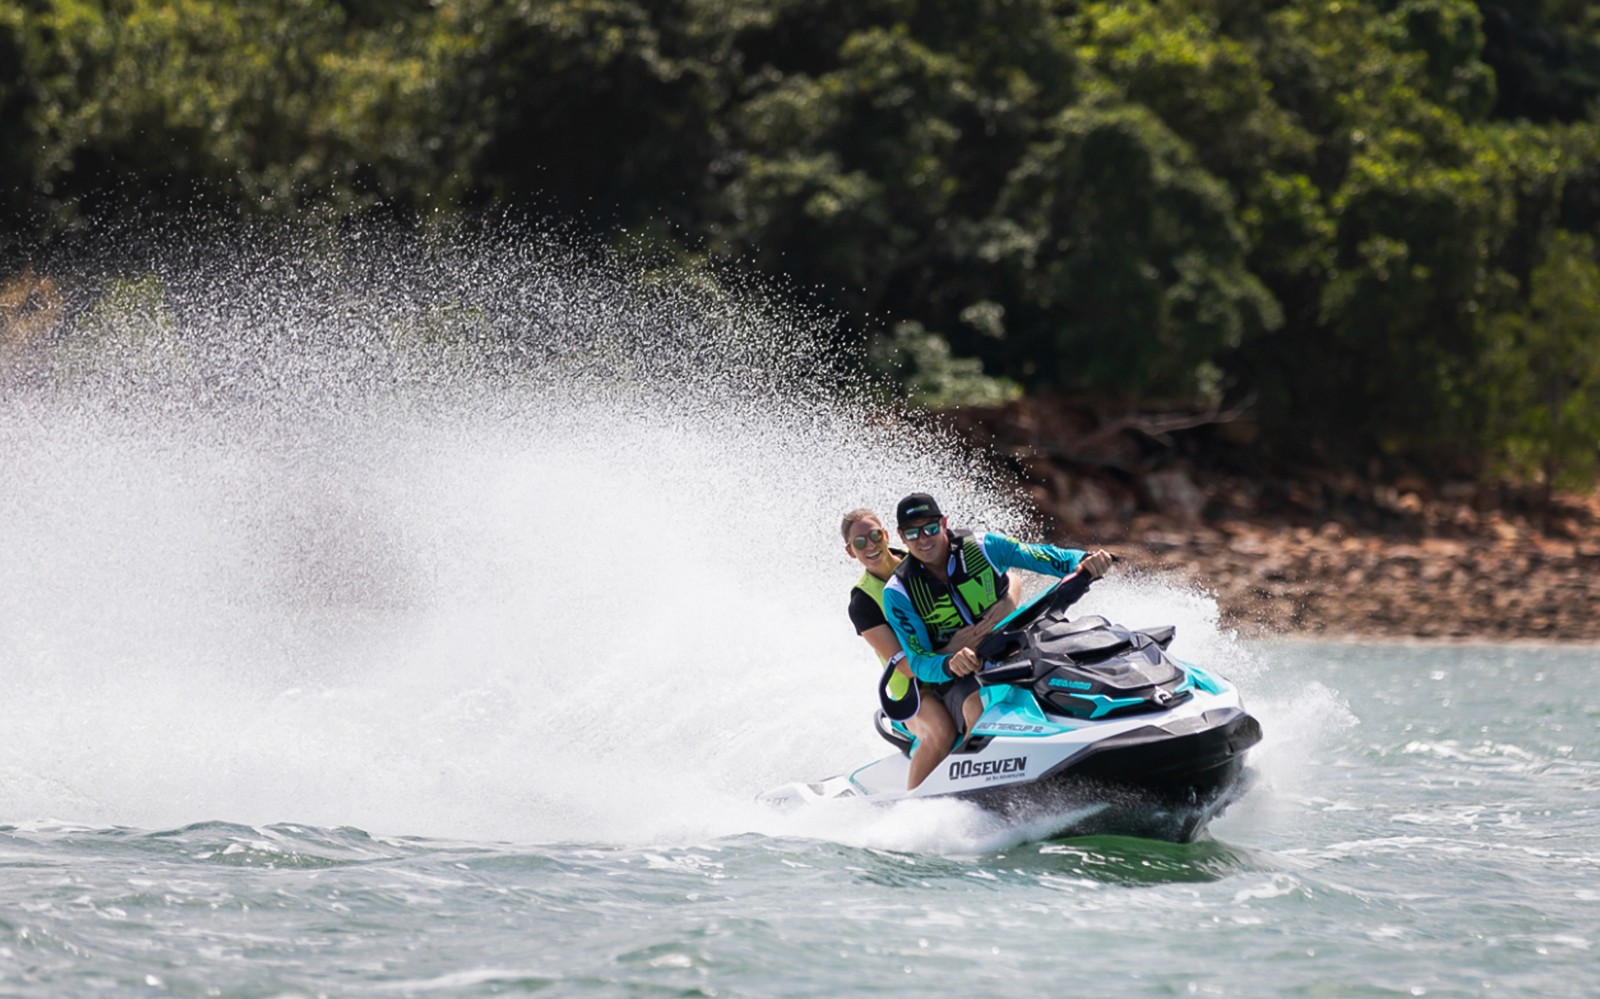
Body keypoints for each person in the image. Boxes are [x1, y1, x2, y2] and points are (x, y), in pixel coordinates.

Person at [882, 492, 1115, 747]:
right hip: (957, 677)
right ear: (902, 537)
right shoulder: (898, 592)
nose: (924, 539)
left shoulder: (983, 547)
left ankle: (1100, 723)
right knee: (978, 709)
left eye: (930, 528)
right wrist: (950, 663)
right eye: (913, 533)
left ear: (944, 523)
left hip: (1013, 648)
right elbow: (918, 660)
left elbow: (1044, 556)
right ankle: (971, 781)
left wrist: (1083, 561)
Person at [842, 508, 1019, 788]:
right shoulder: (863, 603)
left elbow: (1004, 576)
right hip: (916, 689)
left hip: (966, 662)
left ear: (887, 535)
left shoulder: (923, 556)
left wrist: (1008, 600)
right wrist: (952, 648)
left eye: (874, 535)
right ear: (851, 551)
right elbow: (904, 666)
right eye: (860, 542)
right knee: (941, 731)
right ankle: (915, 806)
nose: (871, 545)